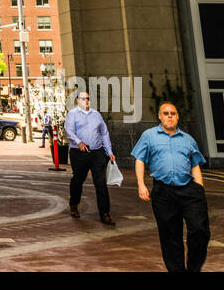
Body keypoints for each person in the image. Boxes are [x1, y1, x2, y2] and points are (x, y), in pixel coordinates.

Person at [132, 101, 210, 272]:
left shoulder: (188, 140)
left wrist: (200, 189)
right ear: (160, 116)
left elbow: (195, 164)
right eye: (166, 113)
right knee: (170, 235)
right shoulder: (149, 136)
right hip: (164, 191)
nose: (169, 116)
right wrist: (141, 184)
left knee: (199, 230)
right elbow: (139, 158)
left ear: (177, 116)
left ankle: (193, 268)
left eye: (173, 113)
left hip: (189, 189)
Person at [64, 91, 116, 225]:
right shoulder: (73, 114)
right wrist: (78, 142)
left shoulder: (96, 115)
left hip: (97, 153)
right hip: (79, 153)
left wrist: (109, 151)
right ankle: (74, 204)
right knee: (78, 180)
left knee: (100, 183)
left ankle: (105, 213)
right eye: (83, 99)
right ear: (77, 100)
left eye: (88, 98)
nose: (86, 101)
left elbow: (104, 134)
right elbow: (69, 130)